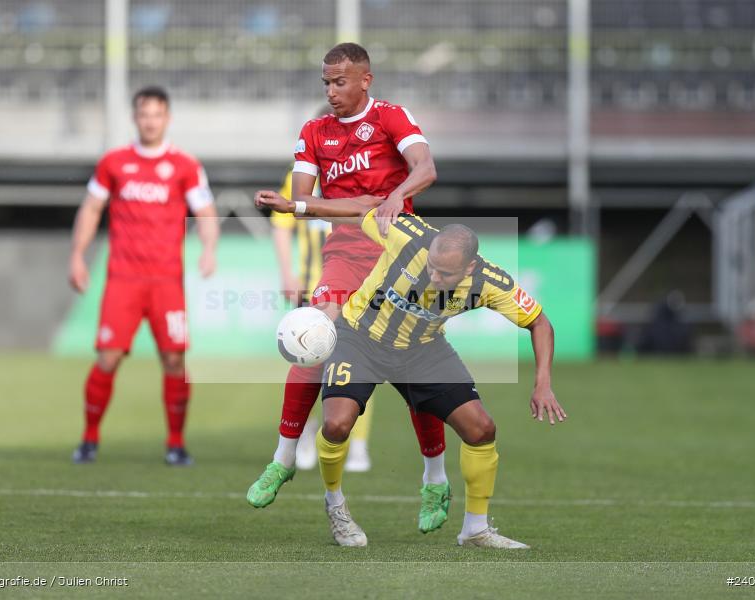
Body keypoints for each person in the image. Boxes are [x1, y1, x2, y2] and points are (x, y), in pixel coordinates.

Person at [255, 190, 566, 548]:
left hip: (422, 349)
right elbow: (358, 209)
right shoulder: (408, 235)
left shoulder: (490, 283)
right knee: (336, 424)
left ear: (469, 268)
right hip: (360, 338)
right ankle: (336, 505)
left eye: (444, 273)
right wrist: (295, 206)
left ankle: (475, 529)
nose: (434, 275)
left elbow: (540, 322)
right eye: (431, 266)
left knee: (482, 429)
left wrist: (543, 383)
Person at [247, 42, 451, 534]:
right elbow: (303, 201)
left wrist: (394, 197)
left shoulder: (391, 117)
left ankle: (435, 478)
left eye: (339, 82)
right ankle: (283, 458)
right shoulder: (314, 132)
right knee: (311, 336)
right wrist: (307, 205)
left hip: (400, 255)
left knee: (416, 368)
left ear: (365, 80)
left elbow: (426, 169)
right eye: (326, 83)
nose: (331, 91)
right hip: (344, 256)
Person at [68, 85, 219, 466]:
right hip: (123, 279)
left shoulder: (185, 165)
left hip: (167, 282)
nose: (150, 121)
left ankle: (176, 443)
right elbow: (91, 208)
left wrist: (209, 249)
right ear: (135, 118)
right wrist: (77, 255)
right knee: (108, 358)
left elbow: (205, 212)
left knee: (174, 360)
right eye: (144, 114)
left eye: (157, 115)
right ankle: (89, 439)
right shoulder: (113, 162)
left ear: (167, 118)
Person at [270, 165, 375, 472]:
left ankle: (358, 444)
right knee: (306, 362)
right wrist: (286, 273)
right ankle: (304, 434)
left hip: (354, 288)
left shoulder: (359, 174)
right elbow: (281, 225)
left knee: (359, 365)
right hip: (310, 286)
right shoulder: (298, 178)